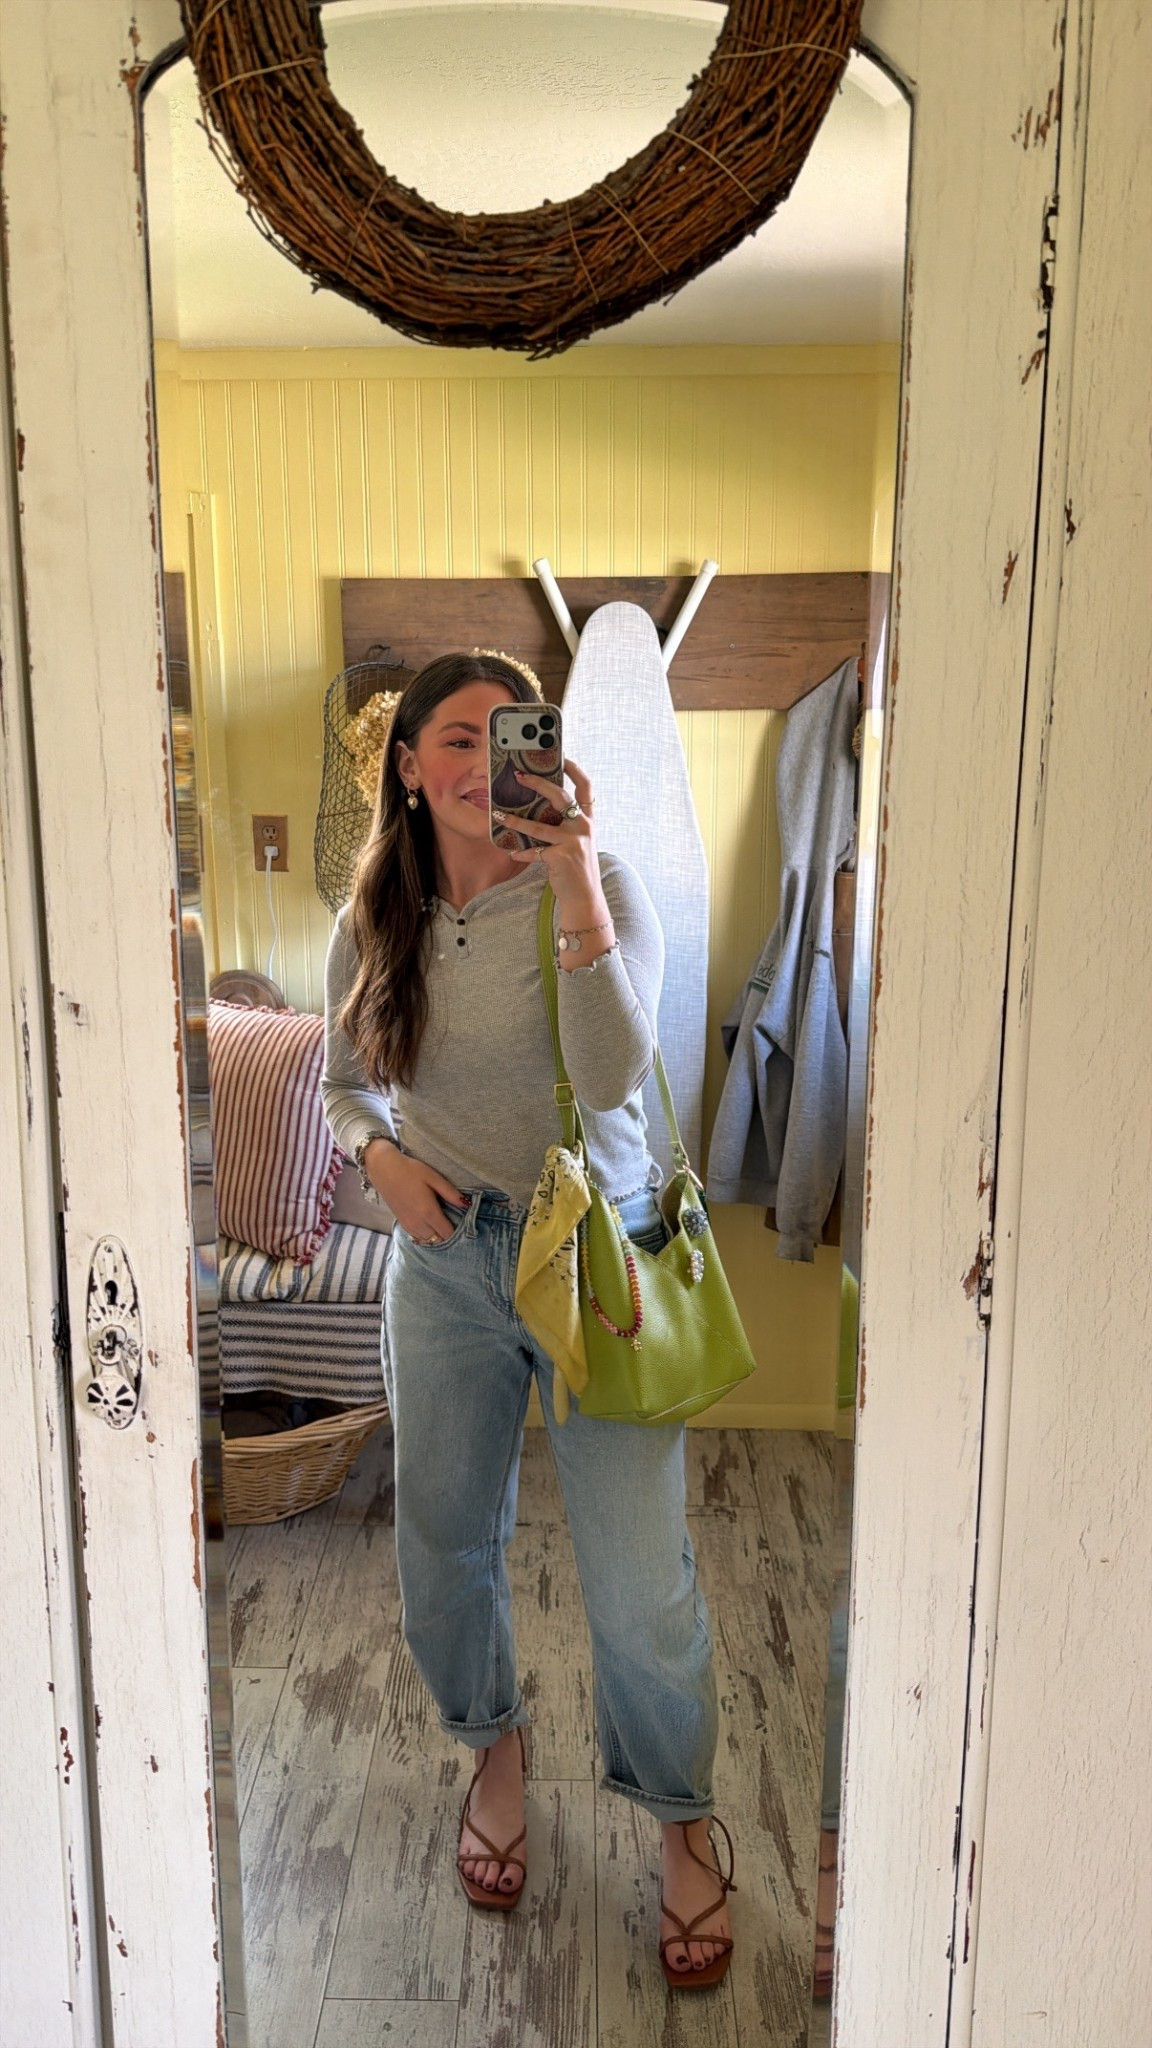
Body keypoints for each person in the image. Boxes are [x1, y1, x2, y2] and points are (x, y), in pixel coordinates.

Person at [321, 651, 737, 1986]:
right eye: (457, 736)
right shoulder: (374, 919)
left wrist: (572, 883)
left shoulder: (602, 885)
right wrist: (382, 1163)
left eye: (511, 732)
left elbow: (613, 1076)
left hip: (595, 1263)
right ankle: (494, 1754)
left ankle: (682, 1821)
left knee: (639, 1576)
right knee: (443, 1546)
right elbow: (344, 1085)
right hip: (445, 1264)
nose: (482, 759)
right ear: (407, 766)